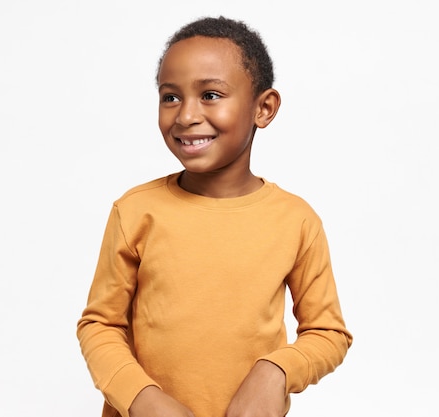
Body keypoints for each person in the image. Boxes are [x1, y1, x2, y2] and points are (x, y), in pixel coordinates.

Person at [76, 15, 352, 417]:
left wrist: (275, 370)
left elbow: (328, 333)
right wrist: (141, 398)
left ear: (264, 108)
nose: (185, 115)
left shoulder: (296, 220)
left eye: (210, 95)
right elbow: (99, 326)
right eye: (170, 97)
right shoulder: (135, 211)